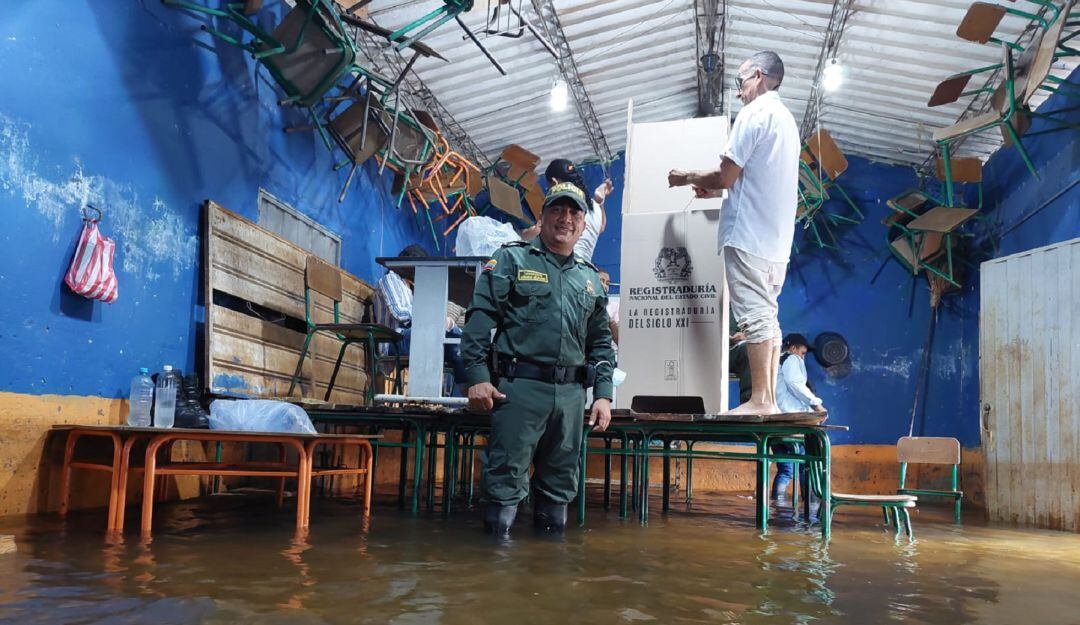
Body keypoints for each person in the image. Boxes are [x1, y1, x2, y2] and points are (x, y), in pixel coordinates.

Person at [460, 182, 616, 538]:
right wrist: (478, 376)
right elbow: (479, 319)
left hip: (572, 399)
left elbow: (601, 343)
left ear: (583, 222)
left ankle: (548, 580)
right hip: (519, 392)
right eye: (558, 210)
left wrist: (603, 395)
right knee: (504, 486)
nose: (566, 219)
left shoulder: (590, 279)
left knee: (560, 488)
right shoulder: (511, 259)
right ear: (543, 216)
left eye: (575, 212)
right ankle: (496, 576)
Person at [667, 51, 800, 416]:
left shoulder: (754, 113)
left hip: (748, 235)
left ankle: (759, 399)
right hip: (775, 242)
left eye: (740, 82)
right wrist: (720, 189)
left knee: (755, 318)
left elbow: (725, 174)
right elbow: (751, 179)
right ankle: (769, 399)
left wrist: (688, 177)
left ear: (758, 76)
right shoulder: (786, 120)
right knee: (768, 316)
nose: (738, 91)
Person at [374, 244, 468, 394]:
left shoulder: (411, 288)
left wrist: (444, 324)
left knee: (458, 342)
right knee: (442, 334)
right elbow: (401, 314)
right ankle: (450, 394)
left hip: (415, 337)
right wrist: (434, 321)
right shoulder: (390, 279)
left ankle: (465, 395)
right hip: (394, 340)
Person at [520, 159, 614, 263]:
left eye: (549, 187)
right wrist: (600, 202)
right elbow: (601, 227)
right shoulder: (594, 208)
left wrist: (522, 233)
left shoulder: (561, 210)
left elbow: (534, 233)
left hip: (561, 266)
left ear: (554, 183)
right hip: (582, 269)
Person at [772, 333, 825, 504]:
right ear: (793, 348)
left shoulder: (774, 361)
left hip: (776, 421)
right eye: (802, 353)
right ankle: (810, 509)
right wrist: (817, 405)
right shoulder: (791, 359)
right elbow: (795, 384)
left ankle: (776, 510)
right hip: (792, 420)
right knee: (805, 466)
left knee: (785, 469)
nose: (802, 357)